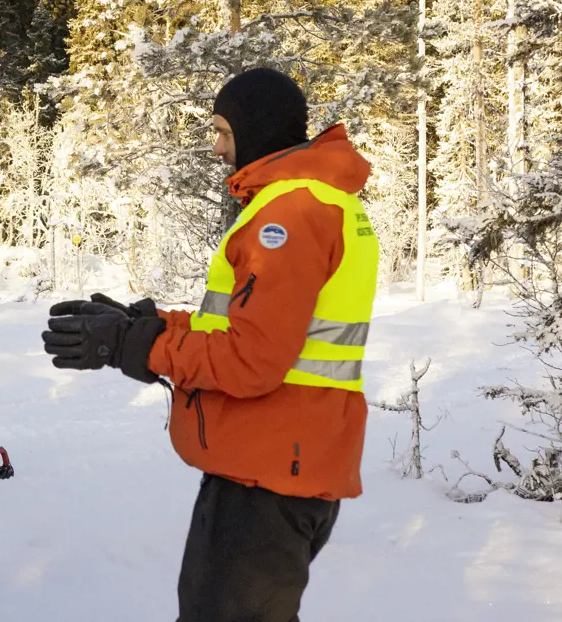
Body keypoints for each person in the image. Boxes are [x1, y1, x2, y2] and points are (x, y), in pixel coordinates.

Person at [40, 67, 380, 621]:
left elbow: (251, 360)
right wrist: (148, 322)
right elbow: (241, 325)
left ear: (258, 130)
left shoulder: (291, 215)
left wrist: (134, 345)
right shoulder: (315, 202)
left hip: (270, 474)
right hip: (278, 462)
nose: (218, 148)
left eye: (223, 131)